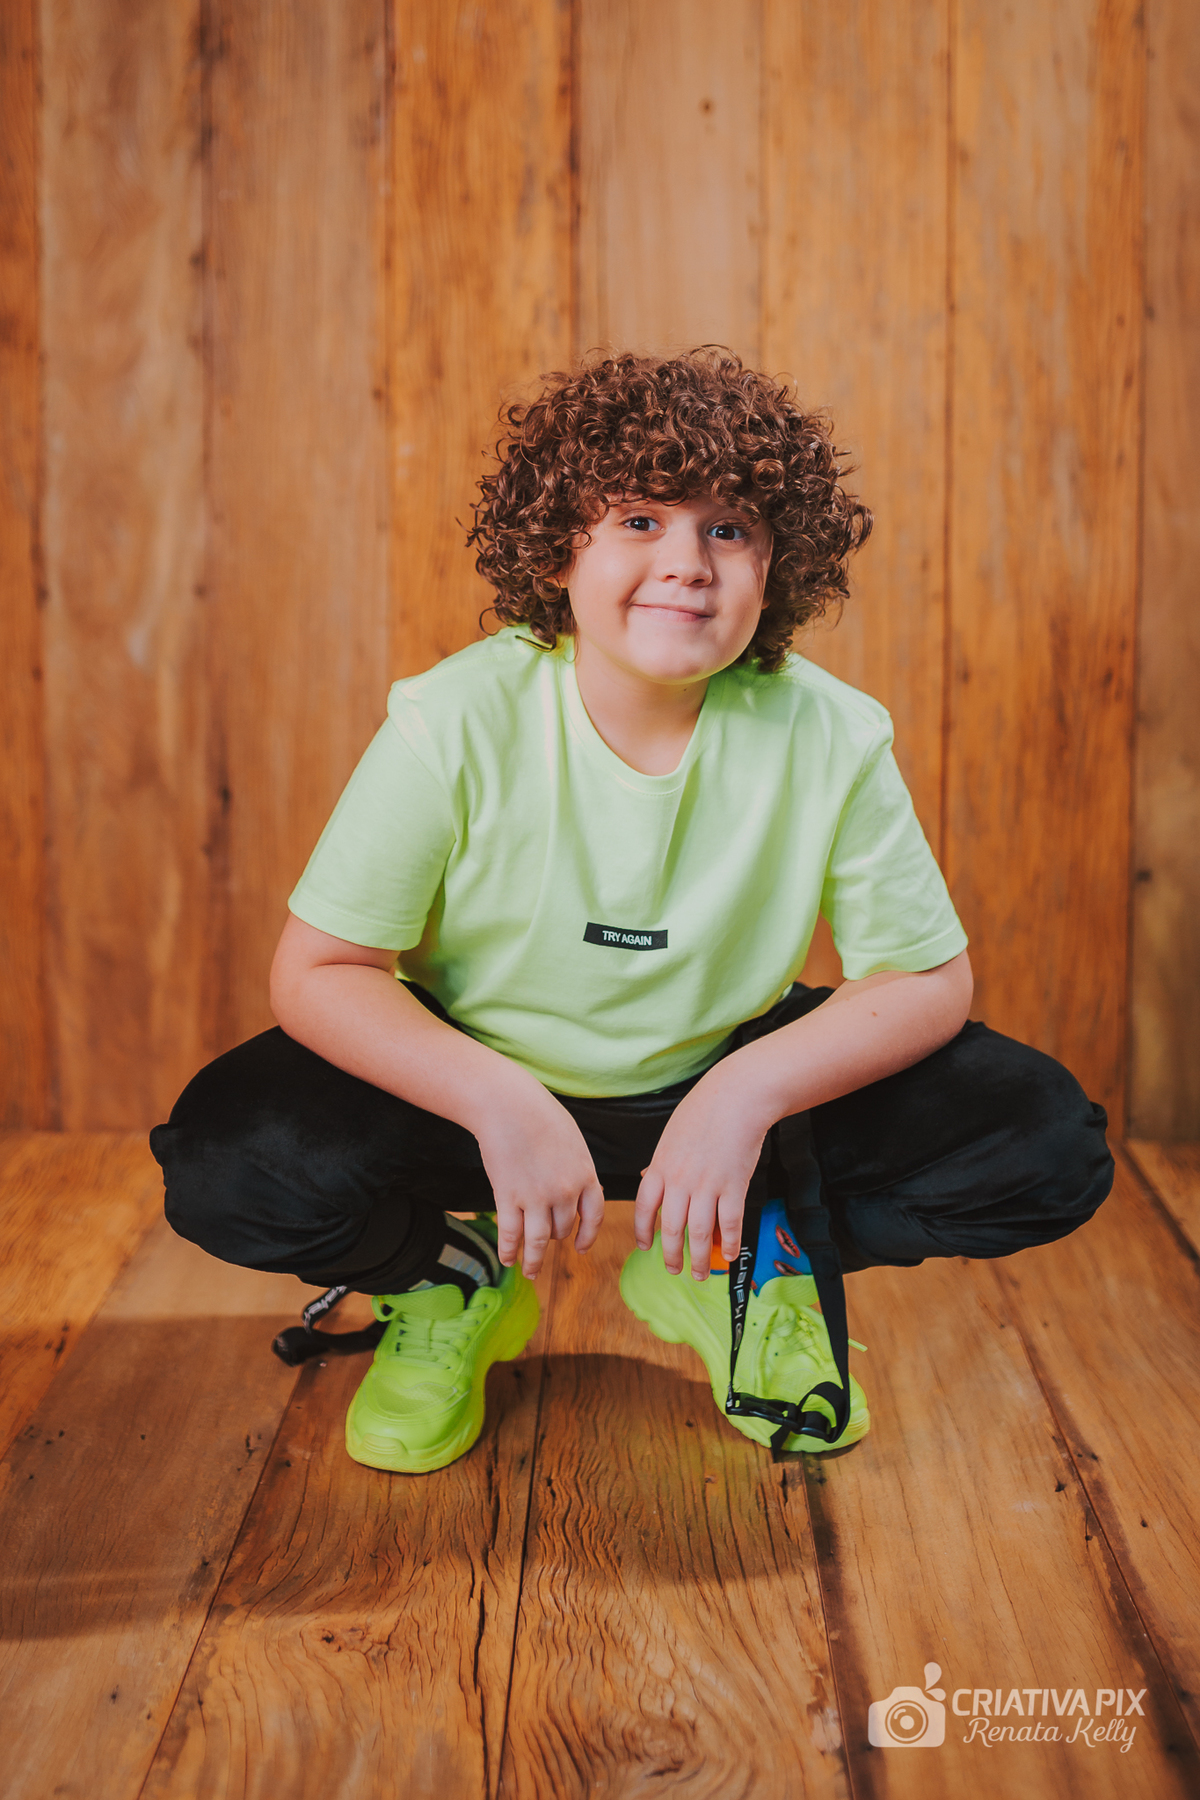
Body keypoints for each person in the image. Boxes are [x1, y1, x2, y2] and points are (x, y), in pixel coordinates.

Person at [150, 349, 1112, 1475]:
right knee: (224, 1159)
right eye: (642, 521)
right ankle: (452, 1283)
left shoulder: (831, 732)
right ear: (561, 545)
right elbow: (321, 970)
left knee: (1048, 1145)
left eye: (729, 529)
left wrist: (747, 1093)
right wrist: (493, 1096)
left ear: (775, 564)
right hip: (481, 1086)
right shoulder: (453, 719)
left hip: (718, 1079)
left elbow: (926, 979)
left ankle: (741, 1254)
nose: (687, 565)